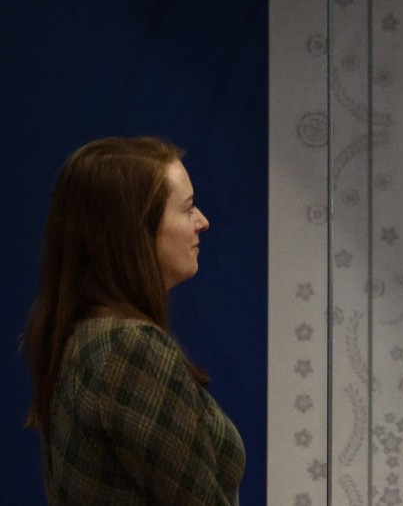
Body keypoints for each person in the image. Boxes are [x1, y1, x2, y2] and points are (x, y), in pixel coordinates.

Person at [23, 137, 245, 505]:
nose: (202, 222)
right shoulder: (129, 347)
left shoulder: (87, 334)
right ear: (135, 230)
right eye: (187, 208)